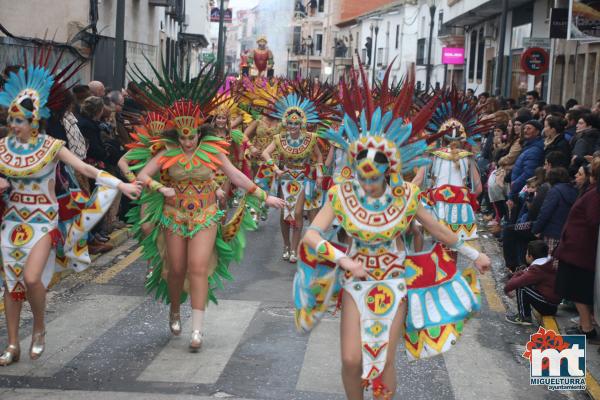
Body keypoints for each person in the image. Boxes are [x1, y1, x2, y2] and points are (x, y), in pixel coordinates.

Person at [299, 67, 491, 399]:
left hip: (394, 280)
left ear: (388, 171)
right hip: (355, 281)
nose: (367, 184)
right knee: (350, 359)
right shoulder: (342, 193)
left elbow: (437, 230)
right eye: (362, 176)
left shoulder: (406, 197)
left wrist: (475, 254)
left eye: (374, 178)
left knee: (384, 360)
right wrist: (344, 259)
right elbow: (312, 237)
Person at [128, 60, 285, 351]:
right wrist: (159, 186)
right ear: (179, 134)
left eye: (194, 136)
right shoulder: (167, 152)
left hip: (206, 215)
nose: (189, 142)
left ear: (201, 132)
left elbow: (235, 174)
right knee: (176, 269)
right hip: (173, 215)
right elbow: (142, 175)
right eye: (184, 136)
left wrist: (264, 196)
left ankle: (197, 329)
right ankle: (175, 308)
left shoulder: (213, 151)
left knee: (198, 267)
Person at [0, 62, 141, 366]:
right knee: (11, 285)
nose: (15, 126)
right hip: (11, 222)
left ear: (34, 121)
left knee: (32, 278)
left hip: (43, 222)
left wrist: (122, 184)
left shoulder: (51, 146)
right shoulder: (2, 149)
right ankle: (12, 344)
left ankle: (38, 327)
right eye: (12, 119)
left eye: (21, 120)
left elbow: (86, 169)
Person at [423, 88, 494, 240]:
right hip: (461, 208)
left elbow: (419, 182)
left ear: (440, 137)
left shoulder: (432, 156)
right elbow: (478, 188)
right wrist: (465, 198)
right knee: (456, 248)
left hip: (437, 204)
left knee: (438, 249)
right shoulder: (468, 158)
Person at [261, 94, 323, 263]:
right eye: (290, 123)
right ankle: (286, 245)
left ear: (302, 123)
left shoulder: (311, 138)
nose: (293, 126)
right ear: (285, 123)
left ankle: (294, 250)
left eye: (296, 123)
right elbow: (265, 152)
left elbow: (318, 157)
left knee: (297, 213)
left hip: (303, 179)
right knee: (284, 214)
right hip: (286, 179)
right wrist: (275, 168)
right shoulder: (279, 139)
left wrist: (319, 173)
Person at [554, 158, 600, 341]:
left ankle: (587, 328)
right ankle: (584, 324)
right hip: (577, 248)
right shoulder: (592, 191)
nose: (577, 176)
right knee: (576, 290)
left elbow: (593, 220)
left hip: (580, 250)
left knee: (578, 290)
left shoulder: (595, 194)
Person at [504, 240, 560, 325]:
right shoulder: (547, 262)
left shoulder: (537, 269)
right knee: (525, 283)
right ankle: (525, 315)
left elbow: (515, 283)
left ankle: (524, 317)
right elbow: (524, 275)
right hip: (553, 304)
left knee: (522, 287)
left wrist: (506, 289)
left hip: (548, 306)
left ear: (530, 256)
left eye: (526, 253)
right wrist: (519, 273)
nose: (525, 255)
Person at [531, 167, 577, 256]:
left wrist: (536, 229)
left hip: (552, 232)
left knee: (549, 262)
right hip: (566, 233)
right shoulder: (574, 190)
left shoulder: (554, 191)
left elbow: (545, 212)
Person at [507, 119, 544, 213]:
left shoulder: (534, 150)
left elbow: (528, 172)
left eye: (529, 128)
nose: (525, 130)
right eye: (525, 128)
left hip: (521, 189)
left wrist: (515, 185)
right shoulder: (528, 146)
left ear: (537, 132)